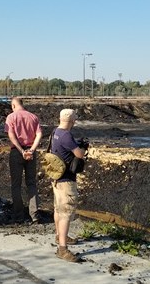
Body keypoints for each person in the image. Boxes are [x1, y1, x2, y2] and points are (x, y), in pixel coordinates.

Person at [50, 109, 86, 262]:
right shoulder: (67, 135)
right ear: (72, 121)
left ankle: (60, 236)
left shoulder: (55, 132)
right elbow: (79, 154)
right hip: (66, 180)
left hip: (56, 177)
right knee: (66, 212)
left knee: (58, 209)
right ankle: (62, 249)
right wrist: (83, 147)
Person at [4, 97, 43, 223]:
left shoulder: (11, 117)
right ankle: (35, 214)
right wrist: (31, 150)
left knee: (16, 184)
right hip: (31, 152)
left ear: (14, 106)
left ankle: (19, 214)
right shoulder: (33, 117)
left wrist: (21, 150)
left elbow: (11, 135)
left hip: (17, 152)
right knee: (31, 183)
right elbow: (39, 135)